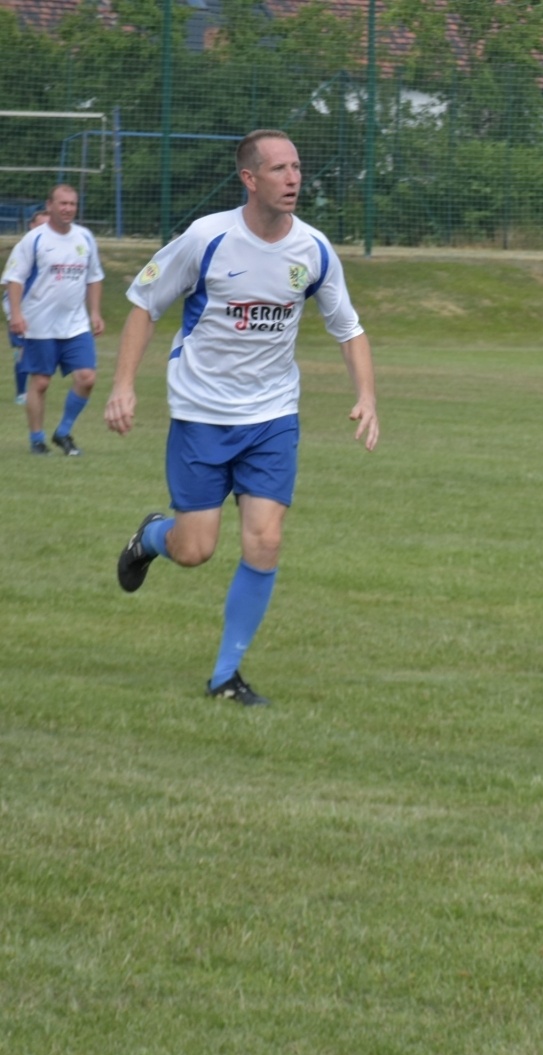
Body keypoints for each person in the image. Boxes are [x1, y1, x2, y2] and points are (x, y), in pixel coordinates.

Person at [106, 129, 379, 706]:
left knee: (266, 541)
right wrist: (124, 385)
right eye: (279, 169)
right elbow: (143, 304)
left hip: (273, 415)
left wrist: (367, 396)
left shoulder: (314, 250)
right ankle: (152, 538)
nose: (293, 178)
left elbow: (349, 329)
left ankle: (224, 677)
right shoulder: (207, 238)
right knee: (195, 549)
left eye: (298, 167)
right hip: (202, 414)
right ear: (249, 179)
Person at [3, 188, 104, 454]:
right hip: (39, 324)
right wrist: (16, 314)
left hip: (75, 324)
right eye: (62, 203)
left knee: (87, 377)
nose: (68, 208)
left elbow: (94, 277)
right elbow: (14, 279)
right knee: (41, 383)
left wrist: (94, 312)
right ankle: (37, 439)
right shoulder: (34, 239)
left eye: (72, 204)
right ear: (50, 205)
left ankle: (64, 432)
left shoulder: (85, 237)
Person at [5, 209, 50, 405]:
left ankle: (33, 389)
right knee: (23, 351)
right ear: (31, 226)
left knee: (39, 353)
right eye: (40, 225)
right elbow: (10, 279)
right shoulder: (23, 247)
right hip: (20, 308)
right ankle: (22, 393)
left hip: (42, 310)